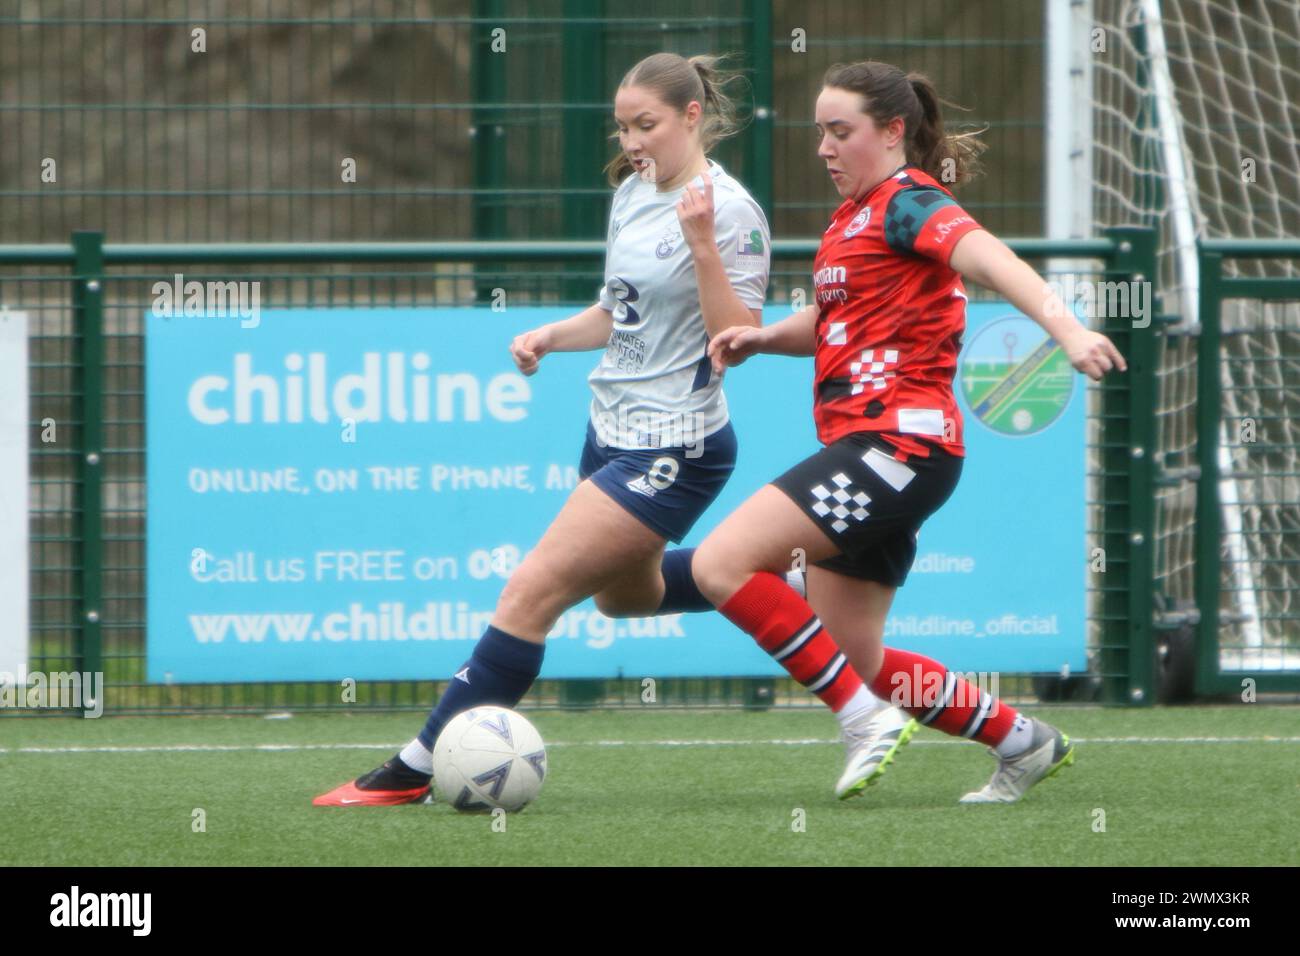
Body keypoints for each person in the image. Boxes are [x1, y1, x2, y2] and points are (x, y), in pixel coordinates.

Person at [314, 52, 904, 807]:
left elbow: (737, 340)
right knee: (625, 599)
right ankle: (770, 578)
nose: (632, 141)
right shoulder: (630, 194)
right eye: (623, 126)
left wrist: (698, 245)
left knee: (530, 593)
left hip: (675, 446)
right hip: (609, 433)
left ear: (692, 117)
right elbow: (617, 311)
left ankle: (413, 768)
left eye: (646, 124)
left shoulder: (728, 211)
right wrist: (552, 337)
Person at [685, 60, 1127, 804]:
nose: (824, 148)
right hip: (875, 450)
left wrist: (1067, 330)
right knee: (854, 653)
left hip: (896, 447)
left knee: (720, 564)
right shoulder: (850, 221)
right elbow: (831, 323)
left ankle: (862, 722)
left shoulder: (910, 201)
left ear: (893, 132)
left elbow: (993, 259)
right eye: (818, 132)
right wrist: (764, 339)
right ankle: (1021, 740)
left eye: (840, 131)